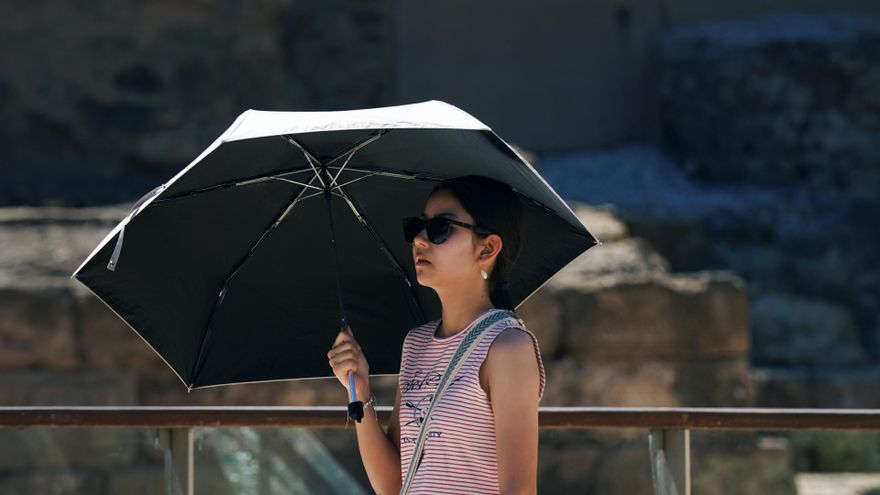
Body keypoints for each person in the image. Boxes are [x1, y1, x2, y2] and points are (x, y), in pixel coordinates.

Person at [327, 175, 545, 495]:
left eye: (440, 228)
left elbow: (520, 490)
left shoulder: (507, 346)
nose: (419, 239)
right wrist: (359, 392)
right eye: (417, 225)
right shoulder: (416, 343)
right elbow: (393, 485)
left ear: (488, 248)